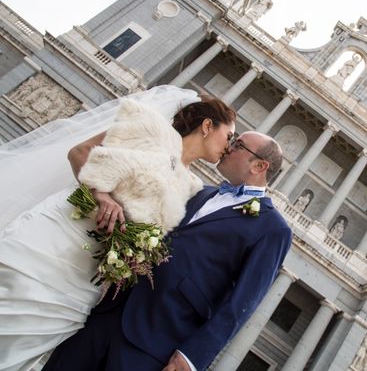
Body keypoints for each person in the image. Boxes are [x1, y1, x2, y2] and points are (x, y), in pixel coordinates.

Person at [0, 86, 236, 371]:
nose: (230, 146)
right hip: (61, 234)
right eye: (229, 136)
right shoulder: (148, 127)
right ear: (208, 125)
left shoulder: (192, 186)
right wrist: (101, 195)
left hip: (88, 272)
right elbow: (80, 152)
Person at [42, 130, 292, 371]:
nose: (228, 147)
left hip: (157, 341)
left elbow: (242, 303)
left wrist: (193, 357)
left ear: (259, 166)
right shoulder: (201, 192)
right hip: (108, 313)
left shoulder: (272, 228)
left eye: (238, 145)